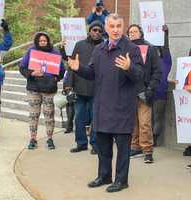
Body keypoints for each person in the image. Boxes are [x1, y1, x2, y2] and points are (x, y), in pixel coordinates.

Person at [68, 14, 143, 192]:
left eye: (118, 26)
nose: (115, 29)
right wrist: (79, 68)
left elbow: (141, 76)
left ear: (122, 27)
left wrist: (129, 67)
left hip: (122, 108)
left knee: (123, 149)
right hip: (102, 106)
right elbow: (92, 73)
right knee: (103, 147)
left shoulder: (132, 49)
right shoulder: (99, 49)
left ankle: (121, 180)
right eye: (112, 26)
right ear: (106, 28)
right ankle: (104, 175)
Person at [19, 32, 65, 150]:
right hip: (34, 88)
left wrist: (57, 78)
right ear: (37, 41)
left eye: (45, 41)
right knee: (33, 115)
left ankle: (49, 139)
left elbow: (62, 69)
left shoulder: (54, 52)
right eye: (40, 41)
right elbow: (22, 67)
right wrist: (31, 73)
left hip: (49, 89)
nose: (43, 43)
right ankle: (33, 139)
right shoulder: (31, 51)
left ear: (48, 41)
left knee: (49, 114)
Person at [67, 21, 104, 155]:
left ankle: (95, 145)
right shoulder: (79, 45)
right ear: (89, 31)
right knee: (79, 118)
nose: (97, 32)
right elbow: (72, 66)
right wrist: (68, 86)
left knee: (96, 119)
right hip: (80, 88)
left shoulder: (104, 46)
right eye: (94, 30)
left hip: (97, 89)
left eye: (100, 31)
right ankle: (81, 143)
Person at [127, 24, 162, 163]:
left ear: (141, 33)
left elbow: (157, 71)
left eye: (135, 31)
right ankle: (135, 146)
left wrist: (150, 89)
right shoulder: (125, 49)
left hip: (145, 92)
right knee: (132, 123)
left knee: (145, 123)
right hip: (129, 92)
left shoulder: (151, 49)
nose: (132, 34)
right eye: (130, 32)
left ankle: (147, 150)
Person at [152, 25, 172, 146]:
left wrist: (166, 34)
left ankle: (154, 139)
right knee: (149, 118)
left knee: (157, 118)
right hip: (148, 92)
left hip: (159, 93)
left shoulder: (166, 60)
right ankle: (149, 138)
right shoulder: (150, 60)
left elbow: (166, 47)